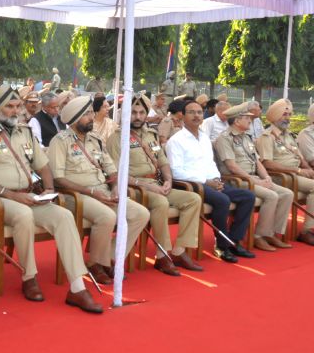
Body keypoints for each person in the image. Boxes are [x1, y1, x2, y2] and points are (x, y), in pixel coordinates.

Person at [0, 85, 103, 313]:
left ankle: (77, 288)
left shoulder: (25, 132)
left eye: (17, 106)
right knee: (23, 214)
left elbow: (43, 165)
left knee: (64, 216)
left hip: (28, 196)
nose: (16, 111)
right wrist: (10, 195)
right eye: (9, 106)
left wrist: (48, 188)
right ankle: (29, 277)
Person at [47, 95, 150, 284]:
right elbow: (58, 179)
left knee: (140, 213)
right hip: (75, 195)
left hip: (103, 191)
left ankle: (110, 257)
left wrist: (115, 188)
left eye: (91, 113)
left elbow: (111, 170)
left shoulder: (96, 140)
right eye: (86, 114)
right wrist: (93, 193)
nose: (92, 118)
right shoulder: (60, 141)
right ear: (75, 118)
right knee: (107, 216)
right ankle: (95, 264)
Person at [107, 95, 203, 274]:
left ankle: (179, 251)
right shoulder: (117, 138)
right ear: (125, 114)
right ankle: (162, 255)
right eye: (133, 112)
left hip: (158, 184)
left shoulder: (151, 134)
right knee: (161, 202)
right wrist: (148, 186)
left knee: (193, 199)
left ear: (146, 115)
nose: (138, 116)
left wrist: (168, 180)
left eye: (142, 112)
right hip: (134, 187)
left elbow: (163, 161)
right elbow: (116, 174)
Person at [166, 100, 256, 262]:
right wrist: (206, 182)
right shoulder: (176, 141)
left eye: (199, 112)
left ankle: (233, 241)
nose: (196, 115)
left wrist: (216, 179)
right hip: (192, 185)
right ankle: (221, 246)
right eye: (191, 112)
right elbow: (176, 172)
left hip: (212, 182)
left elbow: (210, 163)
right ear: (183, 116)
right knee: (223, 200)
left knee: (248, 196)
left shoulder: (204, 138)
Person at [214, 102, 293, 251]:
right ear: (237, 120)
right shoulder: (225, 138)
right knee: (271, 195)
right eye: (247, 118)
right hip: (237, 181)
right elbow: (231, 166)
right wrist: (253, 179)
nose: (251, 120)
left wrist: (266, 177)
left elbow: (257, 162)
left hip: (254, 178)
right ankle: (259, 236)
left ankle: (272, 233)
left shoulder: (247, 137)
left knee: (287, 193)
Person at [256, 99, 314, 245]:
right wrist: (298, 170)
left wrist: (307, 168)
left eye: (289, 114)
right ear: (275, 116)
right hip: (281, 177)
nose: (287, 117)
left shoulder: (289, 135)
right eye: (284, 114)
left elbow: (299, 156)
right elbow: (267, 163)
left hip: (297, 174)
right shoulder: (266, 136)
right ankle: (307, 231)